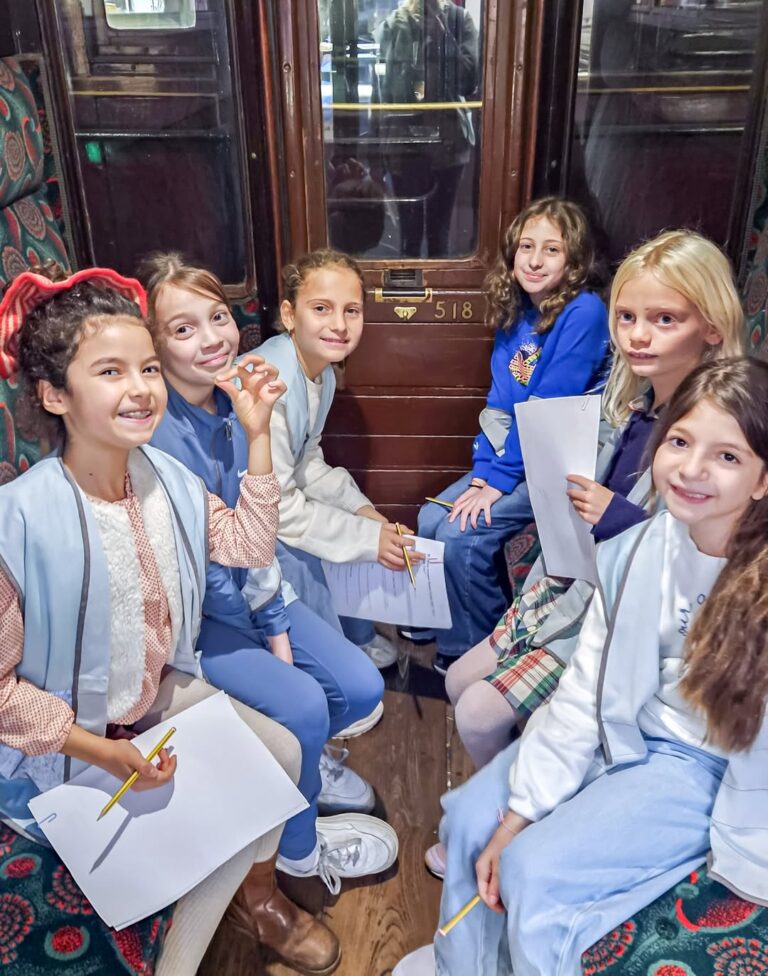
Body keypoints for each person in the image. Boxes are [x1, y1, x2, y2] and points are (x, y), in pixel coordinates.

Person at [0, 267, 340, 976]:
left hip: (151, 692)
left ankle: (249, 897)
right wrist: (103, 751)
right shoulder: (19, 523)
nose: (142, 388)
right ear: (54, 395)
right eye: (111, 371)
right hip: (69, 736)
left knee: (280, 757)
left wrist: (256, 436)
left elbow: (246, 544)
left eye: (148, 368)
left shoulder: (164, 476)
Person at [395, 356, 768, 976]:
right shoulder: (637, 549)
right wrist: (520, 810)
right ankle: (460, 963)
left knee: (532, 872)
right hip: (617, 727)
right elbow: (586, 687)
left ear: (762, 479)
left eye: (727, 456)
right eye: (680, 441)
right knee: (467, 818)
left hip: (700, 765)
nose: (694, 469)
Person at [438, 230, 745, 775]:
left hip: (623, 610)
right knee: (458, 678)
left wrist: (618, 517)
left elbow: (714, 558)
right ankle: (510, 789)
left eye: (664, 320)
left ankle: (512, 806)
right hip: (576, 577)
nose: (638, 336)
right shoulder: (633, 401)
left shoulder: (720, 429)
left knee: (479, 713)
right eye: (626, 318)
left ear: (713, 327)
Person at [141, 252, 397, 895]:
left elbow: (257, 527)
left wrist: (276, 620)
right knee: (307, 702)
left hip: (248, 593)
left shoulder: (237, 400)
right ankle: (298, 851)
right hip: (196, 620)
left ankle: (300, 773)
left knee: (362, 688)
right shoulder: (159, 432)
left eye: (219, 318)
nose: (210, 339)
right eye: (182, 328)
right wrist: (267, 626)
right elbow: (215, 559)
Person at [409, 197, 610, 673]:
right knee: (428, 519)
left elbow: (546, 410)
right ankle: (444, 625)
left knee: (463, 535)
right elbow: (501, 403)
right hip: (516, 453)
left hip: (561, 458)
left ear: (574, 261)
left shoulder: (582, 313)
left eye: (552, 250)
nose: (535, 260)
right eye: (526, 247)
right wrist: (484, 474)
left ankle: (473, 652)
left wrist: (497, 482)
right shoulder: (518, 309)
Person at [253, 248, 419, 670]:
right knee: (306, 554)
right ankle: (329, 667)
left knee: (348, 518)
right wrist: (367, 539)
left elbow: (306, 458)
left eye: (352, 311)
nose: (339, 325)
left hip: (273, 501)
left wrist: (362, 510)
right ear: (290, 315)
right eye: (321, 309)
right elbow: (279, 509)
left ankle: (353, 638)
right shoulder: (273, 382)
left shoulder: (321, 372)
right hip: (244, 517)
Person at [372, 0, 480, 258]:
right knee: (409, 236)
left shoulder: (457, 20)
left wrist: (441, 33)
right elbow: (382, 91)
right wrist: (374, 153)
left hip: (448, 144)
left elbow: (468, 81)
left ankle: (438, 296)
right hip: (403, 144)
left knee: (439, 233)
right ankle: (406, 295)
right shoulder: (393, 24)